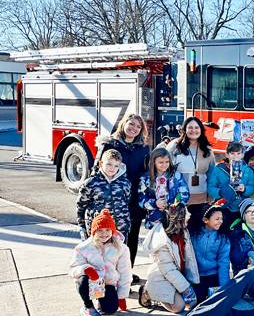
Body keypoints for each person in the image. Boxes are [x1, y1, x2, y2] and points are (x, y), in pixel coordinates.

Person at [96, 113, 150, 269]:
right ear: (123, 124)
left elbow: (145, 174)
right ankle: (109, 274)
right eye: (131, 124)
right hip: (113, 200)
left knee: (132, 238)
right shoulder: (110, 145)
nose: (134, 128)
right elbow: (97, 171)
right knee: (110, 238)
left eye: (138, 126)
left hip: (134, 201)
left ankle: (127, 273)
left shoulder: (143, 149)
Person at [68, 209, 132, 316]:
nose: (104, 234)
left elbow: (125, 272)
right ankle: (88, 307)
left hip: (107, 283)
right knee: (81, 280)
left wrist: (122, 296)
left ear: (113, 230)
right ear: (94, 231)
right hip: (91, 281)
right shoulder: (83, 248)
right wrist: (85, 269)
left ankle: (100, 300)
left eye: (107, 230)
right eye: (100, 230)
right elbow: (72, 269)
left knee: (110, 309)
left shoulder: (121, 248)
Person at [139, 202, 200, 314]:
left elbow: (189, 259)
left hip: (177, 277)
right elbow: (168, 269)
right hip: (161, 277)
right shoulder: (162, 240)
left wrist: (192, 281)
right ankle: (147, 292)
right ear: (177, 219)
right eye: (185, 214)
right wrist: (186, 289)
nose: (189, 215)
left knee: (193, 301)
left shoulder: (182, 231)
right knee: (178, 307)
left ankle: (166, 294)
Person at [167, 117, 216, 232]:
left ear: (201, 130)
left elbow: (212, 174)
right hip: (179, 198)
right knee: (177, 232)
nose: (193, 130)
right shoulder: (174, 146)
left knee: (196, 231)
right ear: (184, 129)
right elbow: (165, 169)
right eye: (190, 127)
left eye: (196, 127)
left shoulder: (207, 149)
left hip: (201, 198)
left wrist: (211, 195)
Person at [77, 149, 132, 240]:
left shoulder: (125, 183)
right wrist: (81, 225)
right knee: (97, 253)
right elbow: (81, 204)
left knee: (118, 253)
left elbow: (127, 201)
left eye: (116, 165)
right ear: (101, 164)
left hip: (120, 228)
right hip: (98, 229)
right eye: (109, 164)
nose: (112, 168)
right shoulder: (91, 183)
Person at [207, 141, 254, 232]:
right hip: (224, 207)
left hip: (241, 207)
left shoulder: (247, 170)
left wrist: (245, 189)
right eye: (232, 154)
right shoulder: (218, 169)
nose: (235, 157)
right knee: (224, 232)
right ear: (227, 154)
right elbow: (211, 187)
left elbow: (252, 187)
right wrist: (220, 192)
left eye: (238, 154)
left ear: (242, 155)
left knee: (240, 232)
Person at [138, 147, 190, 230]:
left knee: (174, 241)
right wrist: (155, 203)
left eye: (167, 162)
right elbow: (141, 199)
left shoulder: (176, 176)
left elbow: (184, 193)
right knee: (157, 241)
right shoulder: (145, 178)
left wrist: (174, 204)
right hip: (154, 219)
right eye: (161, 162)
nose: (164, 164)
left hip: (174, 218)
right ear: (154, 162)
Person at [191, 202, 231, 302]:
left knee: (215, 301)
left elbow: (224, 262)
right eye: (217, 219)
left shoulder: (222, 237)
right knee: (195, 302)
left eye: (221, 218)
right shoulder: (194, 235)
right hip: (196, 276)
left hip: (213, 275)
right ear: (206, 220)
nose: (221, 221)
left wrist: (224, 287)